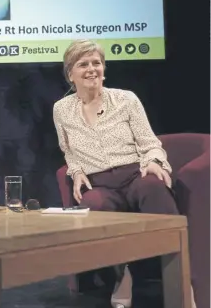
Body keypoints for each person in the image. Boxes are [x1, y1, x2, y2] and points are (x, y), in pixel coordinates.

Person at [53, 40, 195, 308]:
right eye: (84, 64)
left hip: (134, 173)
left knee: (153, 187)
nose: (92, 69)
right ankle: (121, 276)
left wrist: (154, 161)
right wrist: (77, 170)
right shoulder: (61, 110)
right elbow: (67, 149)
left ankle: (181, 279)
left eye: (97, 63)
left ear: (104, 69)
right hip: (100, 182)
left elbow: (149, 142)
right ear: (70, 73)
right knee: (94, 204)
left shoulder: (125, 99)